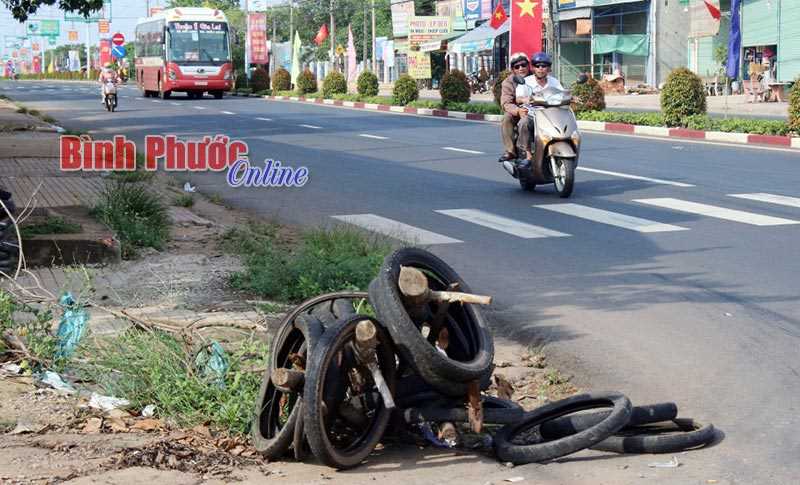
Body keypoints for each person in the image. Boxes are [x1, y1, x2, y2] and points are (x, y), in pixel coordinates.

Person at [499, 52, 532, 163]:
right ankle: (511, 151)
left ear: (529, 65)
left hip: (540, 110)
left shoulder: (538, 76)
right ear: (513, 69)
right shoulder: (508, 82)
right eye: (517, 66)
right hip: (520, 112)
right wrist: (518, 111)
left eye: (523, 65)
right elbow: (506, 103)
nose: (521, 68)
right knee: (507, 118)